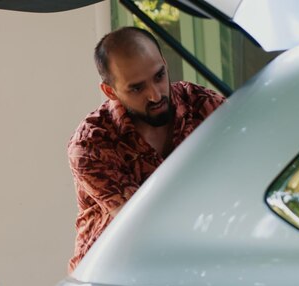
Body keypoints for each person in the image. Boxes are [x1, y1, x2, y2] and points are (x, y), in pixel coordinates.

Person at [67, 27, 226, 272]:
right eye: (137, 88)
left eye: (159, 75)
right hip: (110, 278)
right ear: (110, 91)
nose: (155, 94)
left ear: (164, 63)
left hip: (201, 264)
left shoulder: (203, 106)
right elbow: (143, 227)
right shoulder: (91, 144)